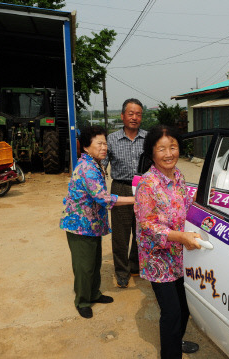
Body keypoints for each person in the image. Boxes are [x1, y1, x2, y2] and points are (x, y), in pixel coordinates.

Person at [134, 125, 202, 358]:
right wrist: (181, 236)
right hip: (158, 258)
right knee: (171, 312)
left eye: (173, 147)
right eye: (162, 148)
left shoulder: (180, 176)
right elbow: (148, 224)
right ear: (152, 153)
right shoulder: (148, 183)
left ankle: (176, 341)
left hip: (179, 255)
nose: (169, 153)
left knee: (184, 308)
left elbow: (187, 206)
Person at [60, 125, 134, 319]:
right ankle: (82, 301)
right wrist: (136, 199)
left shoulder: (94, 164)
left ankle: (94, 293)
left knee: (94, 262)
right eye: (99, 144)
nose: (104, 148)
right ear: (86, 147)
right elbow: (104, 198)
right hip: (80, 227)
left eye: (105, 144)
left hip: (92, 225)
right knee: (84, 267)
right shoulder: (87, 168)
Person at [102, 98, 147, 288]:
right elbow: (103, 163)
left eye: (138, 114)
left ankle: (135, 265)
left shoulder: (148, 138)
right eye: (131, 113)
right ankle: (122, 272)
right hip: (120, 188)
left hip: (144, 189)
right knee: (121, 234)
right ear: (122, 116)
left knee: (142, 230)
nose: (134, 117)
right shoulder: (111, 139)